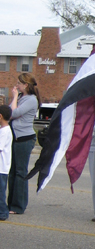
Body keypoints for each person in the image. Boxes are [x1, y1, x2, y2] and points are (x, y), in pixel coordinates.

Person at [8, 72, 41, 215]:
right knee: (12, 172)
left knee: (20, 172)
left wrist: (15, 96)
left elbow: (15, 114)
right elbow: (9, 111)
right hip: (15, 138)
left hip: (25, 138)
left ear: (25, 85)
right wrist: (16, 98)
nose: (16, 85)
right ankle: (10, 204)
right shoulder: (22, 98)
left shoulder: (31, 100)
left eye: (19, 83)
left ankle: (18, 206)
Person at [0, 104, 13, 221]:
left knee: (0, 192)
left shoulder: (5, 131)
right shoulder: (3, 130)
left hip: (1, 167)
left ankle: (3, 212)